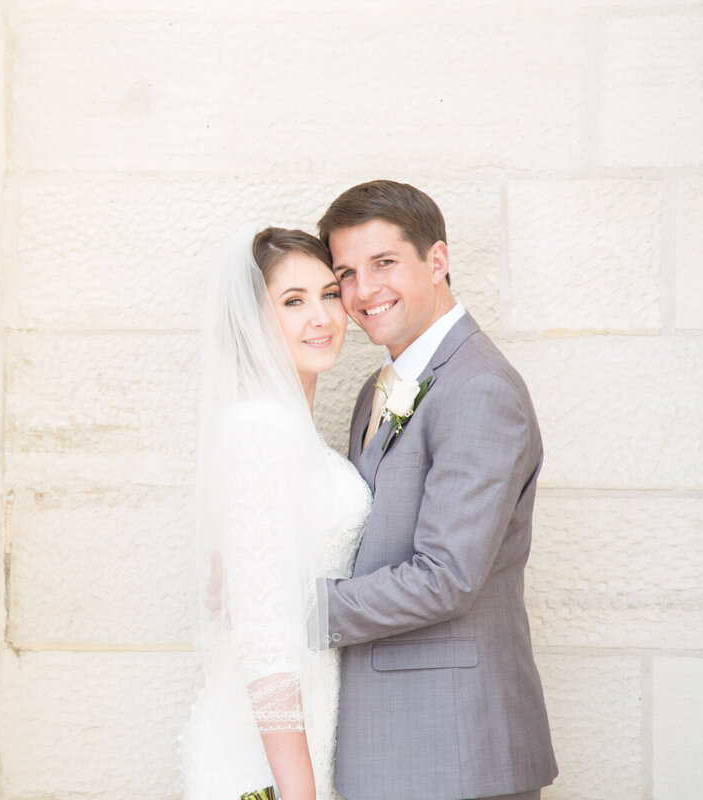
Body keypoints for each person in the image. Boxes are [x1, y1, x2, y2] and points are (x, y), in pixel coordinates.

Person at [310, 180, 558, 800]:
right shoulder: (378, 388)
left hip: (455, 749)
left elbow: (446, 575)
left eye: (384, 263)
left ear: (438, 260)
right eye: (346, 272)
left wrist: (294, 611)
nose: (364, 291)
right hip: (394, 747)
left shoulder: (478, 388)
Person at [181, 226, 371, 800]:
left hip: (303, 727)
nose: (322, 317)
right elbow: (265, 635)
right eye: (293, 302)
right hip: (265, 756)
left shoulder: (283, 429)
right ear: (252, 321)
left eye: (329, 294)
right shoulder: (261, 432)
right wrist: (298, 791)